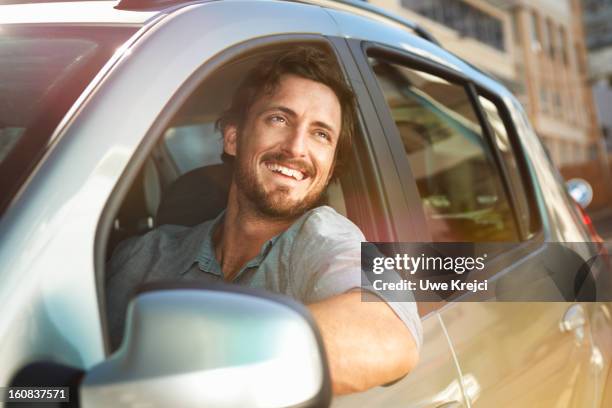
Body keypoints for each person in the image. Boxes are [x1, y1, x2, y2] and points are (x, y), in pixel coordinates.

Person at [106, 46, 422, 395]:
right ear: (233, 137)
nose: (296, 148)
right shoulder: (146, 255)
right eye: (279, 119)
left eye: (321, 134)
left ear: (330, 166)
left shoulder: (325, 238)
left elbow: (389, 333)